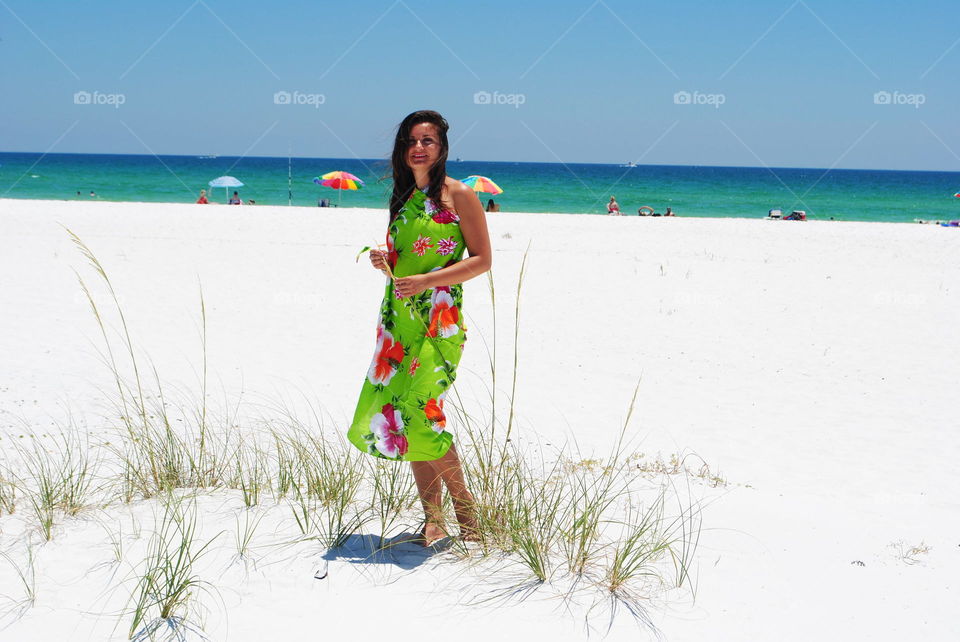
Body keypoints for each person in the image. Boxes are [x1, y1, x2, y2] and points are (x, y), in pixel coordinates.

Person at [348, 110, 491, 546]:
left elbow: (482, 261)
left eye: (427, 140)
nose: (418, 148)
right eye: (411, 140)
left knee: (421, 411)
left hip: (439, 324)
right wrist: (384, 262)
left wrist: (428, 281)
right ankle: (433, 519)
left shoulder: (460, 194)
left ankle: (468, 512)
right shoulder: (402, 195)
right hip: (398, 323)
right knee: (402, 418)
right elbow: (408, 259)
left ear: (442, 147)